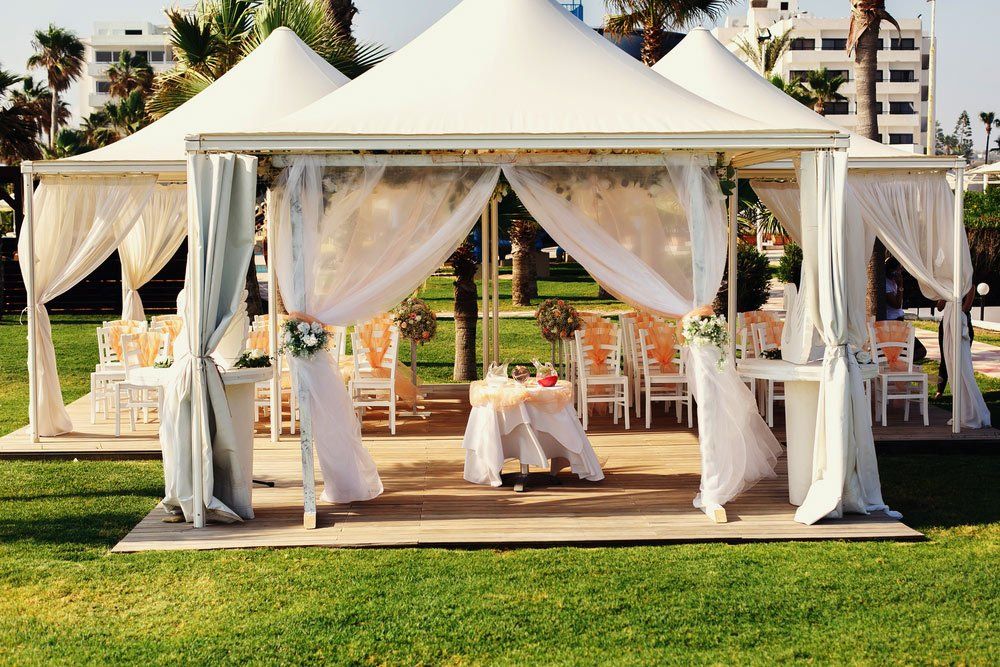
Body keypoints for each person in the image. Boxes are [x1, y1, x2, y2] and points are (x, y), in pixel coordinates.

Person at [934, 288, 976, 399]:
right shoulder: (947, 286)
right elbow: (939, 307)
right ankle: (940, 390)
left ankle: (963, 391)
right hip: (946, 325)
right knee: (945, 357)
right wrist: (945, 294)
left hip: (962, 324)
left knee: (962, 358)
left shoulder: (969, 286)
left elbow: (966, 308)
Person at [885, 258, 926, 362]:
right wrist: (900, 286)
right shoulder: (886, 284)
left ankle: (901, 363)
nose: (900, 273)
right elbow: (896, 304)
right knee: (920, 350)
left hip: (899, 321)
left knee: (919, 351)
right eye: (898, 270)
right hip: (893, 323)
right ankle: (899, 363)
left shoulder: (893, 282)